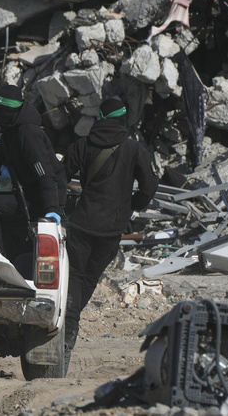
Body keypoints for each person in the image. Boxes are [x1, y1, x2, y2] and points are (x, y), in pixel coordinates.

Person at [61, 96, 158, 361]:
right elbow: (150, 185)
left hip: (81, 224)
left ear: (100, 118)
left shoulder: (82, 145)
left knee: (76, 277)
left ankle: (67, 328)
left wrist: (60, 209)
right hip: (112, 229)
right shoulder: (134, 149)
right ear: (123, 118)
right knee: (89, 278)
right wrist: (131, 206)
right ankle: (68, 326)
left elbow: (60, 178)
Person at [0, 84, 67, 262]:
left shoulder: (27, 133)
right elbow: (3, 158)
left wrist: (52, 209)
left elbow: (46, 174)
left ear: (7, 110)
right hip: (26, 195)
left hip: (42, 200)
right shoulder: (10, 132)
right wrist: (2, 168)